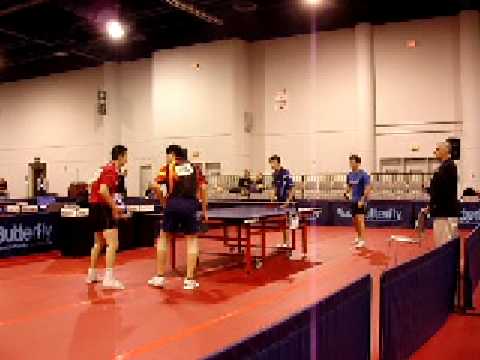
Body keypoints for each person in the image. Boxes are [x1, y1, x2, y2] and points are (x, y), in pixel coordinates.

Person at [148, 145, 208, 290]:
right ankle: (189, 280)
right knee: (192, 240)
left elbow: (154, 186)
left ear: (172, 154)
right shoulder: (195, 168)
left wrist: (163, 202)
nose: (166, 158)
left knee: (164, 238)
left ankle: (160, 277)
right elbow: (204, 188)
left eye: (167, 155)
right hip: (190, 204)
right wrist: (204, 209)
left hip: (172, 203)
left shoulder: (168, 167)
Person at [85, 145, 128, 290]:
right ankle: (109, 278)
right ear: (121, 156)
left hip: (94, 207)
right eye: (126, 156)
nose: (127, 159)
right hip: (103, 208)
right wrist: (114, 208)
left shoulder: (104, 168)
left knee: (98, 243)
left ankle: (92, 274)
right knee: (113, 243)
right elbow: (103, 190)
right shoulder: (111, 170)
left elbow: (93, 186)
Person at [426, 142, 459, 246]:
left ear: (445, 151)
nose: (435, 151)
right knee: (448, 243)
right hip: (445, 211)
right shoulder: (447, 166)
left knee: (443, 245)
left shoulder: (447, 167)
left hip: (444, 213)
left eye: (438, 149)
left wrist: (431, 205)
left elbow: (440, 191)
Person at [346, 155, 371, 249]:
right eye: (350, 162)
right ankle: (358, 236)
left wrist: (362, 199)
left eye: (352, 162)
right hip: (353, 200)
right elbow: (349, 186)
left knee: (360, 220)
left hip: (361, 200)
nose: (351, 164)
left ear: (358, 163)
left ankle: (361, 240)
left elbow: (367, 187)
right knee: (355, 221)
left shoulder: (364, 174)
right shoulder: (349, 175)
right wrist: (346, 192)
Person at [269, 155, 294, 247]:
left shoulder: (286, 172)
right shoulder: (274, 174)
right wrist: (273, 196)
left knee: (286, 222)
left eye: (273, 162)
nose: (271, 164)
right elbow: (275, 187)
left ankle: (287, 243)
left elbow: (292, 188)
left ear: (277, 162)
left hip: (286, 200)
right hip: (279, 201)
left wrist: (288, 201)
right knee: (283, 222)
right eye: (270, 163)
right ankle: (284, 242)